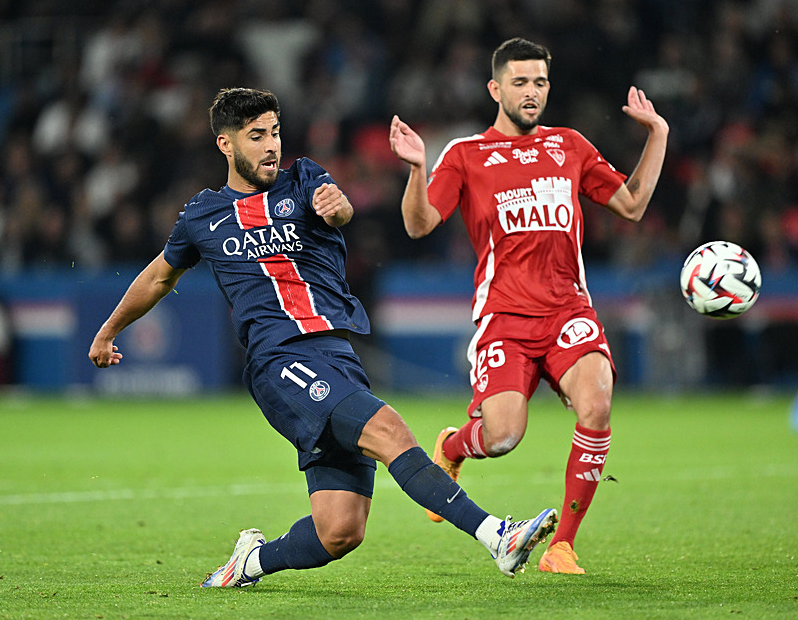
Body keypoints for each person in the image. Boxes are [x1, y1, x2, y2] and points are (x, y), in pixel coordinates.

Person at [88, 87, 558, 587]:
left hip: (335, 351)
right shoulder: (202, 215)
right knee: (389, 429)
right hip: (279, 359)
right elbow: (160, 276)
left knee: (340, 531)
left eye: (274, 132)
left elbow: (337, 211)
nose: (271, 145)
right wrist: (107, 332)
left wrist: (337, 208)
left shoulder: (304, 178)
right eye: (256, 136)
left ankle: (250, 563)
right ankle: (497, 536)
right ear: (225, 145)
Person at [389, 38, 669, 574]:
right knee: (504, 437)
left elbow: (631, 205)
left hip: (569, 310)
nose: (532, 91)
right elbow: (419, 224)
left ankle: (562, 545)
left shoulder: (570, 145)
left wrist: (657, 134)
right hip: (506, 320)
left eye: (539, 81)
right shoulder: (466, 154)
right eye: (520, 82)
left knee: (598, 404)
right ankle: (454, 445)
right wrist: (416, 170)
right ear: (496, 88)